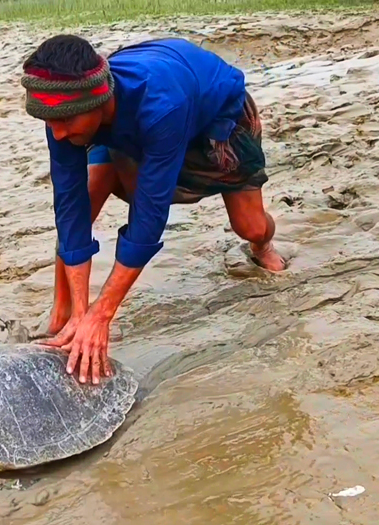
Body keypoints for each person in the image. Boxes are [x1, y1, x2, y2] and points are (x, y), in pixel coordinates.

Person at [20, 34, 286, 385]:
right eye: (48, 120)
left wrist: (102, 315)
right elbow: (69, 207)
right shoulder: (62, 108)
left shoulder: (161, 106)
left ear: (98, 101)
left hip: (216, 116)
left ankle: (263, 246)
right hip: (121, 120)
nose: (54, 134)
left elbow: (149, 217)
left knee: (249, 226)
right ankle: (63, 314)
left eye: (64, 121)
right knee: (88, 191)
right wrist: (80, 311)